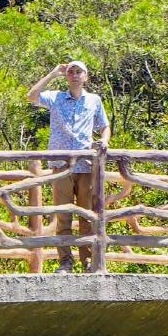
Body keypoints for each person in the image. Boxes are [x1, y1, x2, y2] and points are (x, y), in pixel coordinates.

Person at [28, 58, 110, 270]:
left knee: (87, 215)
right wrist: (52, 74)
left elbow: (104, 126)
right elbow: (32, 96)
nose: (74, 75)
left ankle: (88, 261)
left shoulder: (94, 100)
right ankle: (66, 262)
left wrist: (105, 141)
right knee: (63, 217)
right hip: (61, 164)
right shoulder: (56, 98)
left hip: (86, 165)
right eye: (71, 71)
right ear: (67, 76)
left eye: (78, 72)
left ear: (85, 76)